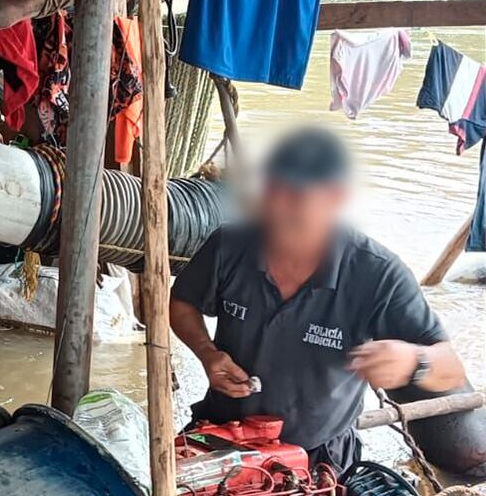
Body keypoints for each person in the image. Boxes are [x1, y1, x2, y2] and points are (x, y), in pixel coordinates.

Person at [169, 126, 466, 472]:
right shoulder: (230, 246)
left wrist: (414, 361)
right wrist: (207, 354)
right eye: (272, 191)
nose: (278, 209)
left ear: (335, 198)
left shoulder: (376, 273)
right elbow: (181, 304)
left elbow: (451, 368)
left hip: (317, 455)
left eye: (295, 195)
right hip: (222, 435)